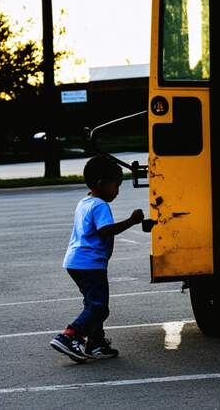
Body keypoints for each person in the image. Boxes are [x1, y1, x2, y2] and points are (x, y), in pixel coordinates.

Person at [50, 155, 146, 362]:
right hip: (90, 264)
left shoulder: (84, 202)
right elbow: (104, 231)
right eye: (116, 186)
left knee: (93, 304)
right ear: (102, 184)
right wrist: (132, 220)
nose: (118, 192)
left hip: (75, 262)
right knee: (99, 307)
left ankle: (96, 343)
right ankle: (69, 336)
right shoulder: (100, 205)